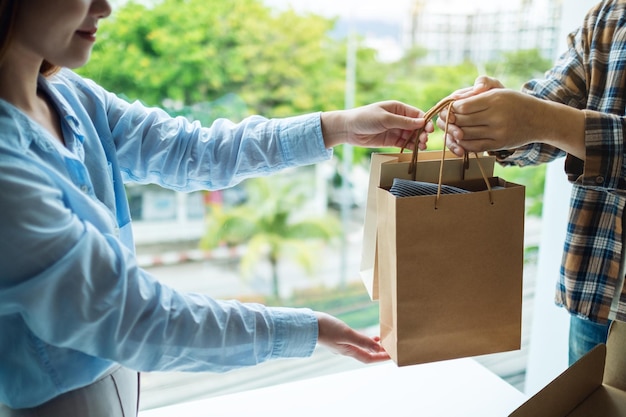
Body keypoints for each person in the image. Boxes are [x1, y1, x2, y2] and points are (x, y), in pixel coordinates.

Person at [0, 0, 435, 415]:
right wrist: (308, 330)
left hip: (122, 383)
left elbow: (194, 151)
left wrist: (338, 127)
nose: (105, 8)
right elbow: (139, 318)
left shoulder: (71, 96)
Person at [437, 0, 626, 366]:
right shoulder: (611, 12)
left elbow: (549, 118)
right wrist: (499, 117)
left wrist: (541, 119)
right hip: (595, 294)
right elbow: (548, 106)